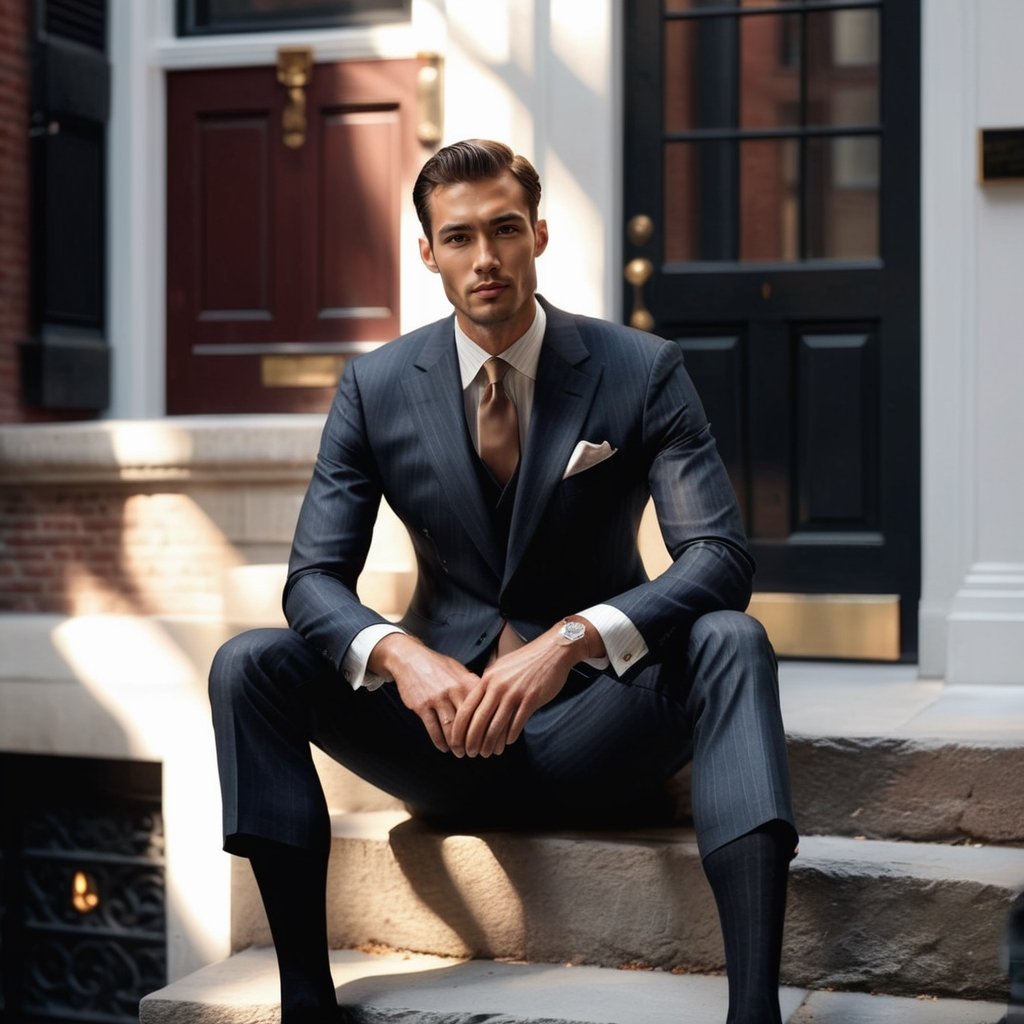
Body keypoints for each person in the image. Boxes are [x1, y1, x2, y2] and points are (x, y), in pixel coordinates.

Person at [209, 139, 797, 1024]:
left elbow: (719, 557)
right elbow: (312, 581)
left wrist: (574, 639)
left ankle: (754, 1010)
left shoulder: (641, 369)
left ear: (540, 236)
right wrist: (403, 657)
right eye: (458, 238)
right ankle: (305, 1002)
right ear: (427, 253)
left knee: (731, 639)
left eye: (505, 230)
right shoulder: (374, 388)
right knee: (249, 665)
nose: (485, 259)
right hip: (439, 739)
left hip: (602, 732)